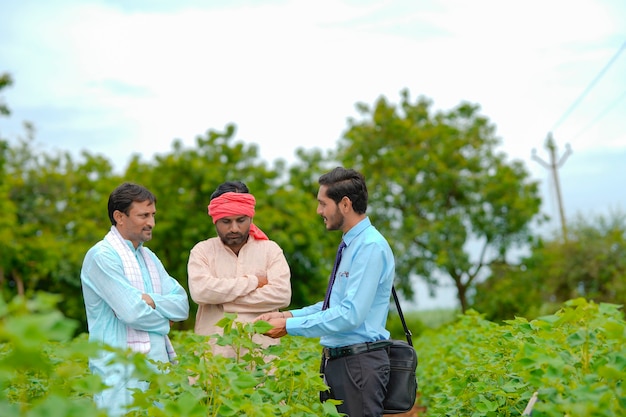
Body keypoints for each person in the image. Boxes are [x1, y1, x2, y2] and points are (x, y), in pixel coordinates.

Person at [255, 167, 395, 416]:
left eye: (323, 203)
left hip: (359, 366)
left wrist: (289, 328)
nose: (319, 211)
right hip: (342, 363)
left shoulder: (370, 246)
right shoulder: (351, 244)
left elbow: (350, 315)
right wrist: (289, 316)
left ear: (344, 204)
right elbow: (335, 306)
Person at [80, 182, 190, 417]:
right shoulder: (102, 256)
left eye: (152, 215)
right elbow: (132, 312)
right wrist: (164, 323)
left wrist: (150, 300)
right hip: (119, 374)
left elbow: (182, 304)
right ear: (119, 216)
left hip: (157, 372)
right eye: (143, 215)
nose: (151, 223)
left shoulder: (148, 257)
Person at [187, 181, 291, 358]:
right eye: (226, 221)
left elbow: (282, 295)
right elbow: (200, 292)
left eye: (241, 220)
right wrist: (254, 282)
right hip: (215, 360)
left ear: (251, 218)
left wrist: (222, 301)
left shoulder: (270, 250)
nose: (234, 228)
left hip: (263, 359)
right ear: (215, 220)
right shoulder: (202, 251)